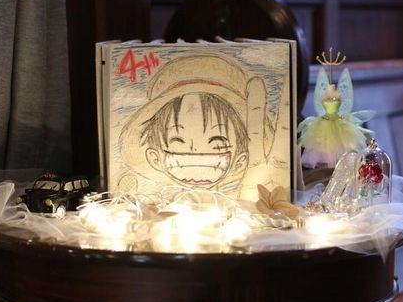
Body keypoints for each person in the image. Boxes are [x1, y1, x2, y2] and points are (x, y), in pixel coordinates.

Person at [118, 54, 290, 200]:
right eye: (178, 143)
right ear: (155, 158)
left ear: (239, 162)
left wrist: (257, 203)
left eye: (217, 144)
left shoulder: (237, 203)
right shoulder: (156, 205)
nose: (196, 155)